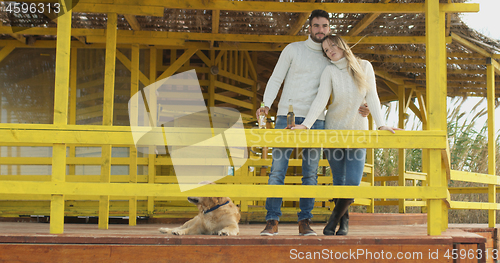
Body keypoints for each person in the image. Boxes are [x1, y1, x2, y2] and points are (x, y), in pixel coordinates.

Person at [257, 10, 369, 236]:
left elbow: (353, 80)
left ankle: (305, 221)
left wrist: (364, 103)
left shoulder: (332, 56)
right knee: (277, 170)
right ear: (309, 28)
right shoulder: (293, 49)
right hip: (286, 116)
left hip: (316, 120)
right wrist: (266, 103)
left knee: (310, 173)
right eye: (316, 26)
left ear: (329, 28)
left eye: (324, 26)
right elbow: (276, 78)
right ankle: (272, 220)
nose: (320, 30)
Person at [292, 35, 402, 236]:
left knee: (353, 182)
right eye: (325, 50)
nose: (329, 51)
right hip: (334, 131)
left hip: (358, 132)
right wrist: (306, 125)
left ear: (342, 45)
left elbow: (372, 96)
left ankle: (333, 219)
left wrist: (381, 125)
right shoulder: (329, 71)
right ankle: (344, 223)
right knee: (339, 182)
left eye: (332, 46)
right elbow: (321, 99)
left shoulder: (364, 66)